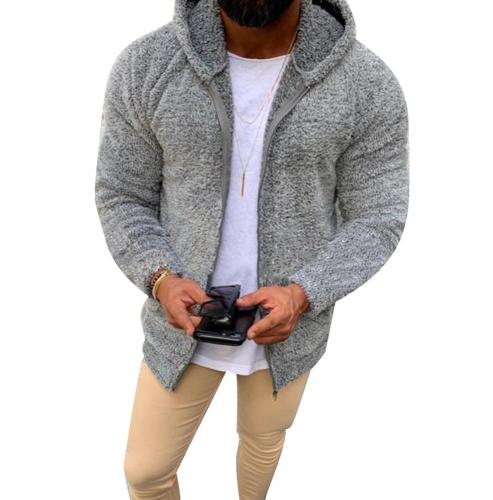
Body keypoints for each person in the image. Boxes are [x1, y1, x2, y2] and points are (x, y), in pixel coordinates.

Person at [94, 0, 410, 497]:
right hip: (184, 321)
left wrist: (304, 293)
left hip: (289, 328)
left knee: (262, 442)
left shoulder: (366, 82)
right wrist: (159, 278)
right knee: (146, 472)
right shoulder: (147, 66)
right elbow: (122, 193)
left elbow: (378, 216)